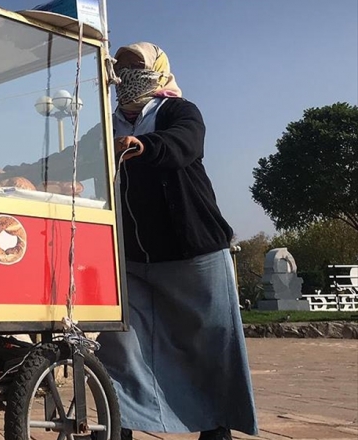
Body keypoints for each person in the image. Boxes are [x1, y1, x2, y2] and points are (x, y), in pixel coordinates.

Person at [93, 42, 259, 440]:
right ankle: (117, 426)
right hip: (132, 256)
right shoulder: (107, 121)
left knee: (210, 346)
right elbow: (73, 157)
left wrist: (145, 145)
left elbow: (186, 143)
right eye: (120, 67)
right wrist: (19, 167)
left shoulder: (177, 111)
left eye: (136, 66)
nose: (126, 74)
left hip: (193, 250)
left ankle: (217, 427)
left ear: (158, 70)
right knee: (119, 345)